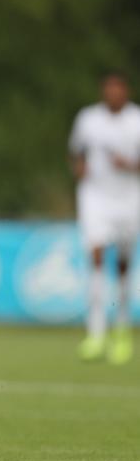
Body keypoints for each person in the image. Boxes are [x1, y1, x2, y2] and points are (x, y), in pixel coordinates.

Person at [69, 71, 139, 364]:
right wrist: (79, 168)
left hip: (129, 198)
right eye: (108, 89)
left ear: (126, 91)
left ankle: (121, 327)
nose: (113, 94)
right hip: (95, 197)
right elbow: (76, 151)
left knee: (122, 264)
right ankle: (96, 332)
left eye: (118, 89)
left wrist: (130, 165)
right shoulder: (88, 119)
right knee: (95, 257)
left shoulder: (137, 120)